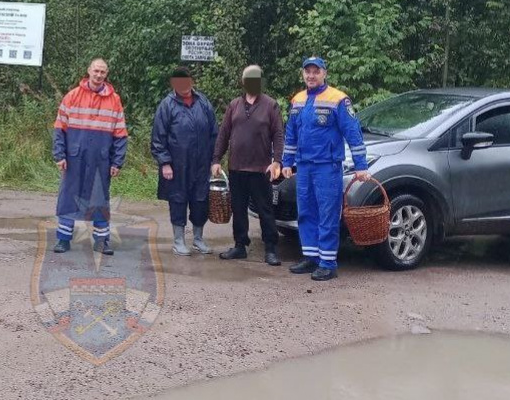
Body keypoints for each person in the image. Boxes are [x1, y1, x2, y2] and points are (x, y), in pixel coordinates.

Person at [281, 57, 369, 281]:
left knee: (327, 214)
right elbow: (291, 133)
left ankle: (328, 262)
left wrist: (361, 166)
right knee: (305, 212)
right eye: (307, 72)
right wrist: (287, 162)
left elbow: (353, 133)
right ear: (303, 74)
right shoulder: (298, 100)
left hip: (327, 167)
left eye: (315, 72)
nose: (311, 76)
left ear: (324, 74)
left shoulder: (338, 99)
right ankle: (311, 257)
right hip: (304, 166)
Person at [52, 58, 128, 255]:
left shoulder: (115, 100)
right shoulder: (72, 96)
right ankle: (63, 240)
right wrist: (59, 155)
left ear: (106, 74)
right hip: (74, 158)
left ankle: (101, 241)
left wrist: (117, 161)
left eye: (102, 72)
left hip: (101, 160)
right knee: (68, 197)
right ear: (89, 71)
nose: (99, 75)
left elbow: (120, 134)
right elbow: (60, 128)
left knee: (99, 199)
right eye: (96, 71)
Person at [212, 65, 285, 266]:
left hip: (261, 168)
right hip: (236, 167)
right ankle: (239, 246)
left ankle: (270, 249)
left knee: (265, 209)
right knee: (238, 208)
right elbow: (224, 133)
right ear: (243, 82)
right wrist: (216, 159)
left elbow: (278, 135)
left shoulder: (271, 105)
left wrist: (277, 161)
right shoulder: (234, 105)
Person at [150, 66, 219, 256]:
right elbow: (158, 137)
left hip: (202, 164)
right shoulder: (167, 105)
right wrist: (165, 162)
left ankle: (198, 239)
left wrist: (215, 159)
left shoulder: (203, 103)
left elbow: (215, 133)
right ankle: (178, 241)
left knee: (200, 200)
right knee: (178, 200)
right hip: (176, 165)